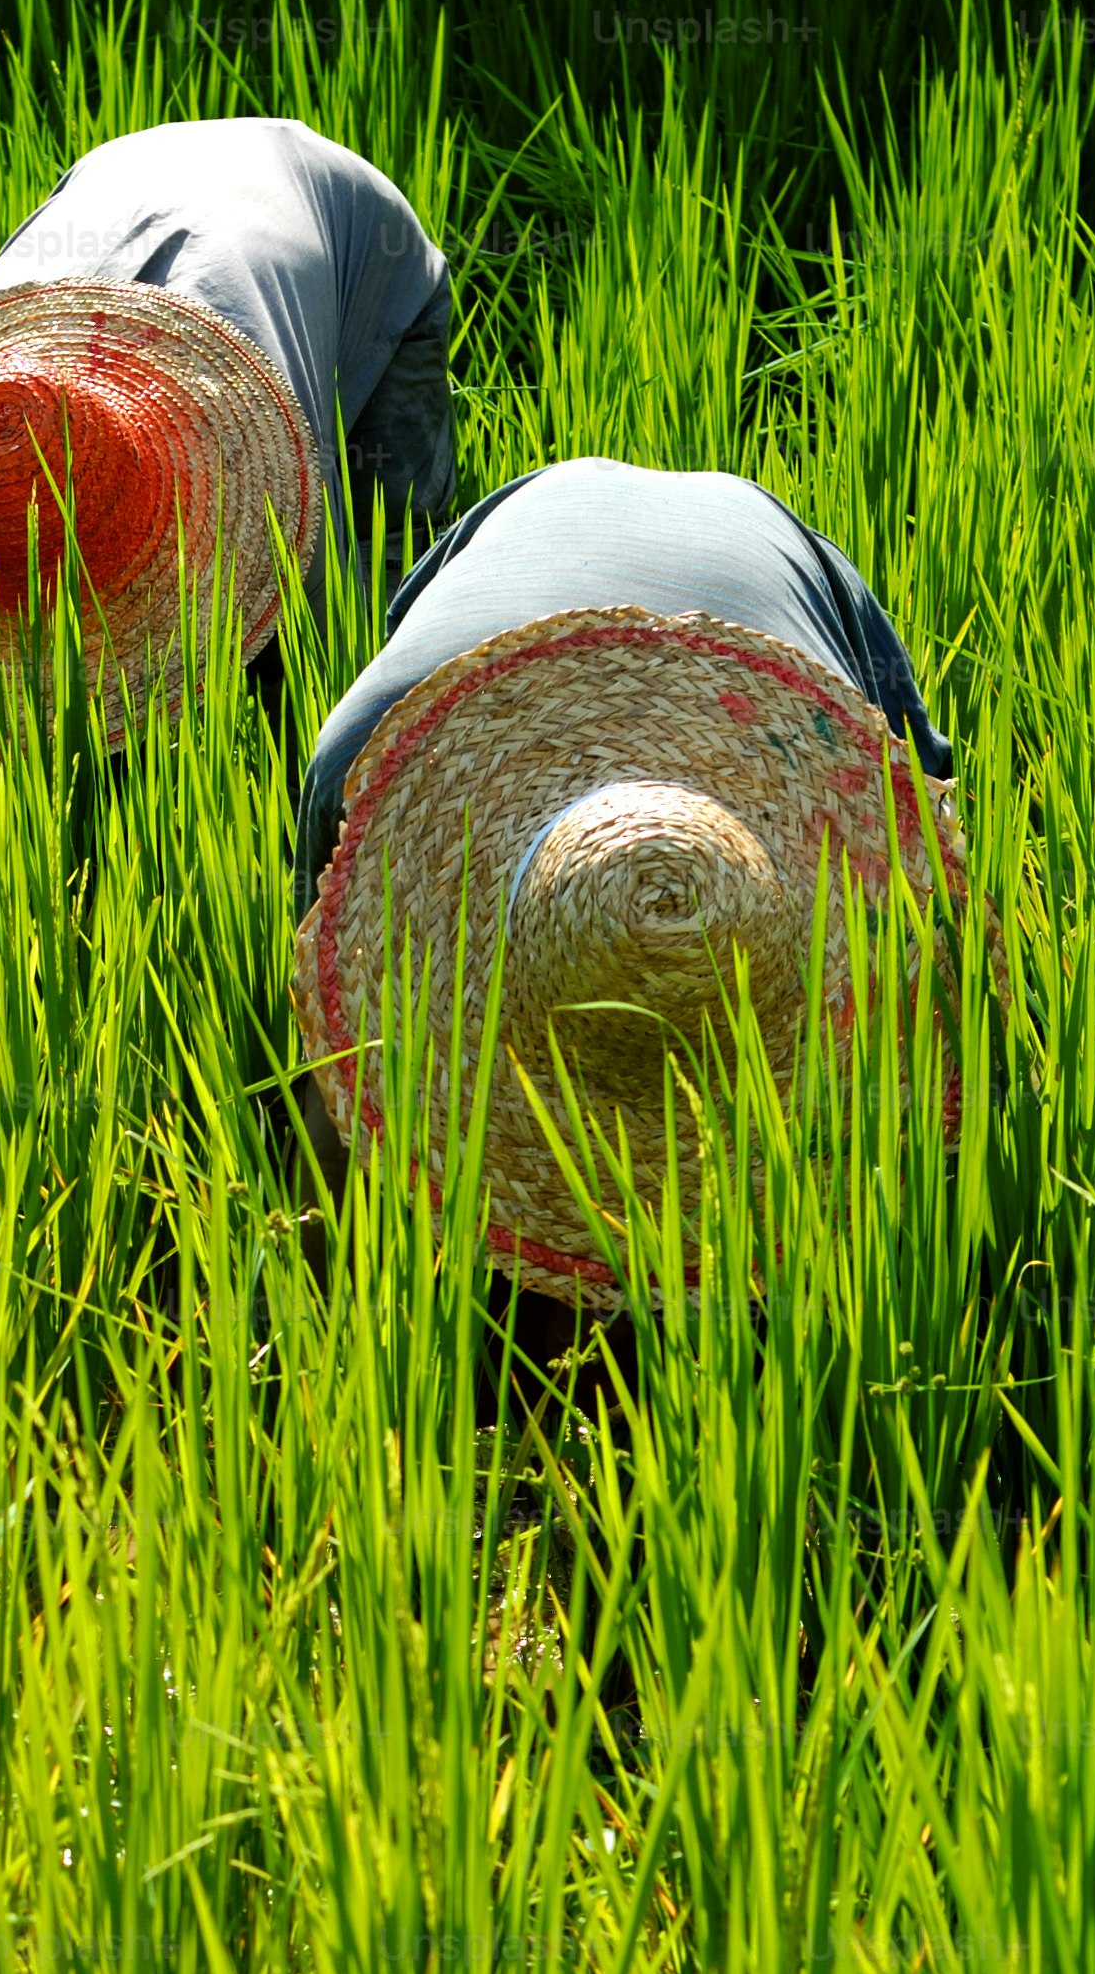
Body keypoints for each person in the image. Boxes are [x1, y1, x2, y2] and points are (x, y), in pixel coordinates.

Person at [286, 456, 987, 1364]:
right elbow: (333, 1052)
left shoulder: (816, 716)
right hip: (526, 591)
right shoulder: (373, 760)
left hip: (630, 523)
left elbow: (920, 800)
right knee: (354, 1092)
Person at [0, 116, 453, 752]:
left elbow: (312, 647)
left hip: (335, 213)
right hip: (115, 180)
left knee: (383, 578)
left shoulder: (252, 447)